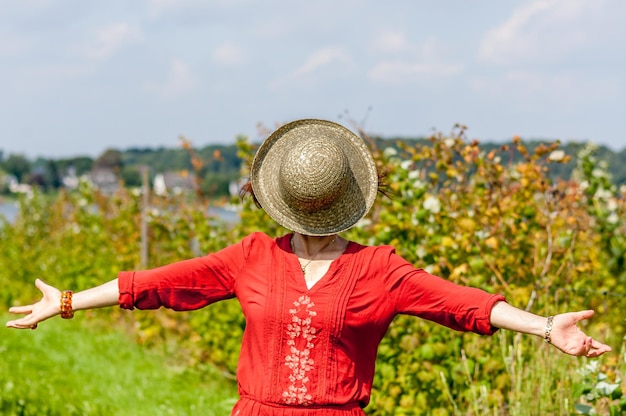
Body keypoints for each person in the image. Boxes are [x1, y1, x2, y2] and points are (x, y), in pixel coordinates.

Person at [6, 119, 612, 415]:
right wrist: (65, 302)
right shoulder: (250, 256)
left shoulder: (379, 270)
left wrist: (546, 325)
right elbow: (159, 284)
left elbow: (464, 304)